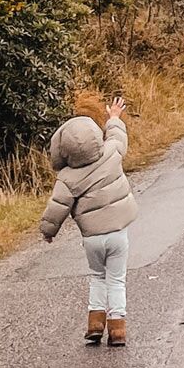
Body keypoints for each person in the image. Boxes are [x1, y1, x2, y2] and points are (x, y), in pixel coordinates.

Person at [39, 92, 137, 347]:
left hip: (92, 238)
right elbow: (118, 136)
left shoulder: (67, 178)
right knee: (116, 279)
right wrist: (113, 117)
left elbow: (56, 208)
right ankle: (118, 329)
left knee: (97, 277)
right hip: (117, 233)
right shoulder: (111, 153)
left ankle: (95, 325)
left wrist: (48, 232)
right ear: (95, 136)